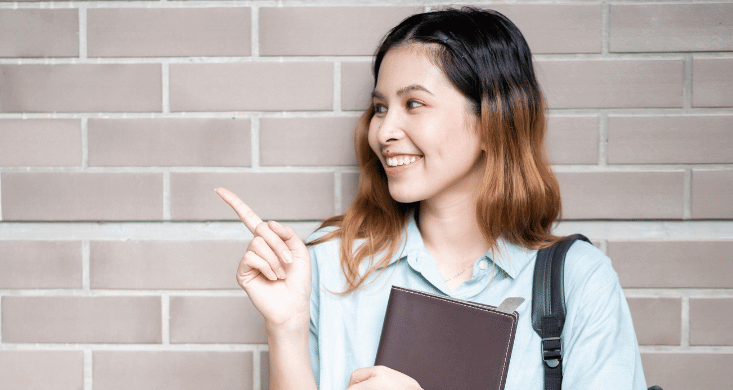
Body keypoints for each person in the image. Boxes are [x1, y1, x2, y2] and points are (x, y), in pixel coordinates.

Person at [217, 7, 647, 390]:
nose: (383, 132)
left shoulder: (578, 281)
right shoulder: (326, 266)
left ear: (493, 119)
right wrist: (286, 328)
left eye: (415, 104)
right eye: (381, 107)